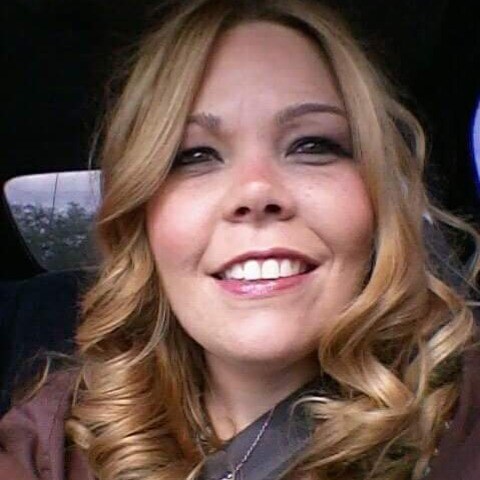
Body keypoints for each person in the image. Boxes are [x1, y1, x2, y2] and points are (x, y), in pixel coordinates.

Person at [1, 0, 479, 479]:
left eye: (313, 145)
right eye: (194, 155)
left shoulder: (462, 419)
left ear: (377, 200)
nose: (255, 191)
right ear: (141, 220)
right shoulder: (56, 440)